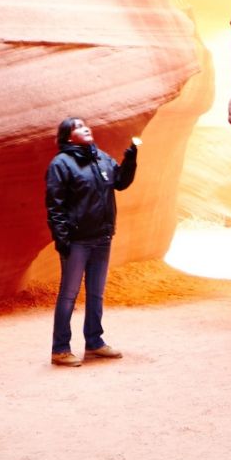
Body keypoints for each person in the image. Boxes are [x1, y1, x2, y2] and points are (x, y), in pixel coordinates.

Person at [44, 116, 139, 366]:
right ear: (67, 137)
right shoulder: (61, 164)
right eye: (77, 127)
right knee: (69, 295)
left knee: (96, 294)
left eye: (85, 125)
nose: (85, 128)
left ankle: (94, 343)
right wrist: (62, 238)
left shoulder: (101, 158)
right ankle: (60, 349)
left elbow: (120, 183)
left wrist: (130, 159)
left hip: (102, 237)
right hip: (77, 241)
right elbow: (55, 205)